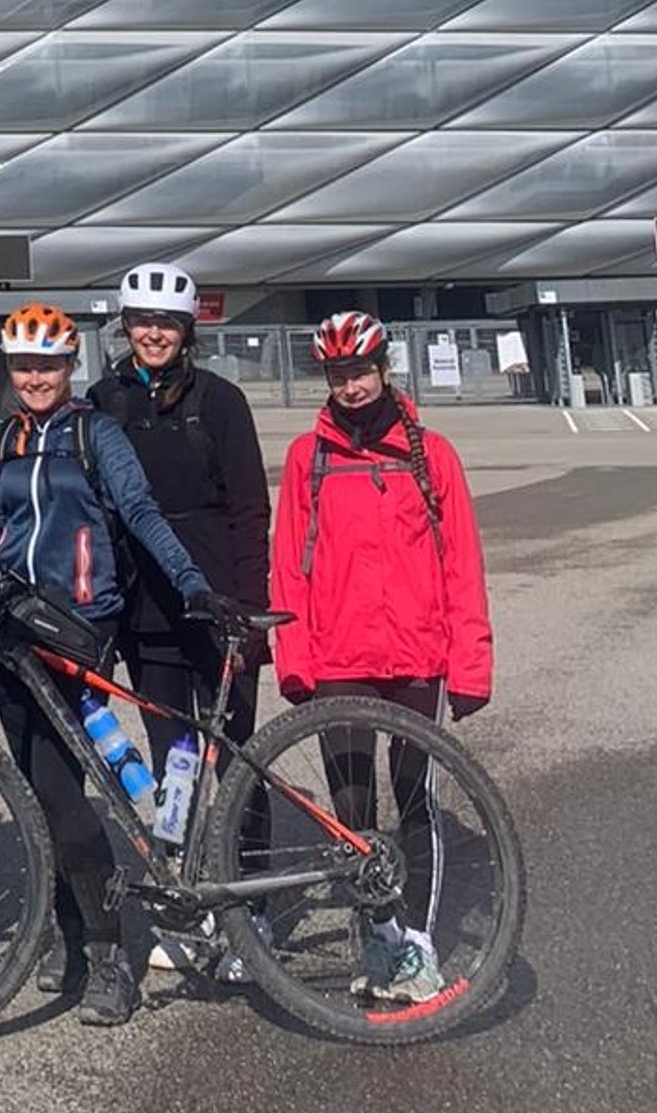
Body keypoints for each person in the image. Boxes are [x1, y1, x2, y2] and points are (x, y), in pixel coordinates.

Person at [0, 303, 235, 1027]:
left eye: (47, 364)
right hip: (11, 625)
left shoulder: (95, 432)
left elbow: (140, 514)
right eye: (23, 364)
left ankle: (110, 956)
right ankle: (70, 938)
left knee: (61, 791)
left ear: (68, 366)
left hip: (77, 626)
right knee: (40, 789)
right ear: (9, 370)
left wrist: (194, 583)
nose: (35, 377)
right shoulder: (5, 437)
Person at [270, 310, 492, 1005]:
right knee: (352, 811)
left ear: (385, 370)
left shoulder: (432, 454)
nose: (352, 386)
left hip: (417, 654)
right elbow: (289, 565)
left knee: (416, 802)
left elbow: (463, 562)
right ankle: (379, 935)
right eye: (339, 375)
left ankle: (419, 947)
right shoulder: (311, 457)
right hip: (340, 653)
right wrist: (295, 656)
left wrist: (472, 661)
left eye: (361, 372)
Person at [84, 262, 271, 976]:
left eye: (166, 325)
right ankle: (187, 907)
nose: (153, 334)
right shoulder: (104, 400)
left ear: (187, 332)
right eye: (142, 322)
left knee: (238, 760)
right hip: (146, 608)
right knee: (175, 765)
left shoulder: (221, 403)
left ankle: (250, 908)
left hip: (219, 601)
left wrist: (251, 609)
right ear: (126, 327)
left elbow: (252, 508)